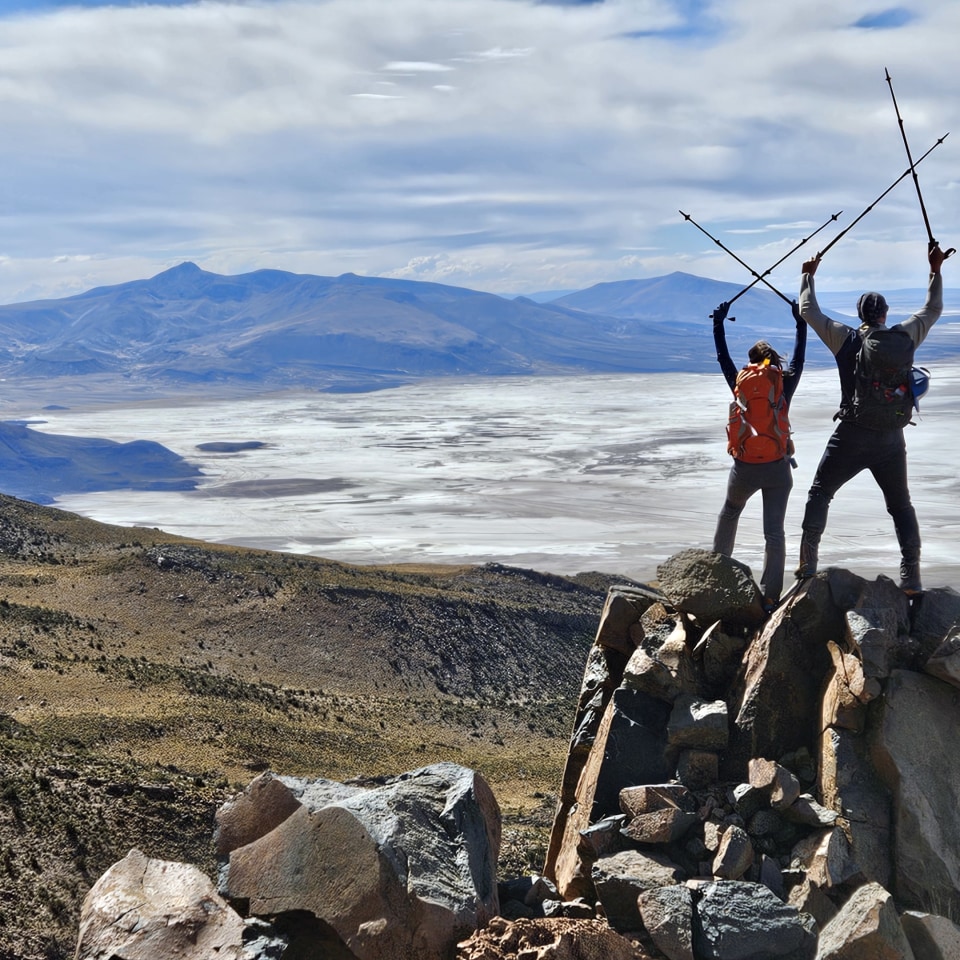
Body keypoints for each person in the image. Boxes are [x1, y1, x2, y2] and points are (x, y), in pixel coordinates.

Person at [795, 243, 947, 595]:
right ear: (885, 313)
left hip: (851, 434)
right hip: (891, 438)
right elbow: (933, 308)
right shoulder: (905, 336)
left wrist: (807, 274)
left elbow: (807, 309)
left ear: (860, 313)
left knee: (820, 493)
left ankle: (808, 564)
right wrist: (935, 269)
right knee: (901, 505)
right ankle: (911, 577)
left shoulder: (845, 339)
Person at [712, 300, 806, 611]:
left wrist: (719, 323)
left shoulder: (740, 383)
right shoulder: (782, 384)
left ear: (751, 363)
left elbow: (722, 357)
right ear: (773, 361)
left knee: (729, 513)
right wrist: (800, 321)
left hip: (745, 468)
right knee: (774, 533)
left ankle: (717, 575)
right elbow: (800, 359)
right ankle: (769, 596)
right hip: (778, 471)